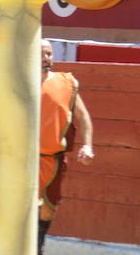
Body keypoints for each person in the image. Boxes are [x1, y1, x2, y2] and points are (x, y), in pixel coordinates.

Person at [38, 40, 95, 255]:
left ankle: (37, 246)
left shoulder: (66, 82)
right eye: (42, 54)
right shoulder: (21, 82)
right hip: (26, 159)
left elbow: (83, 116)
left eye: (49, 54)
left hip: (54, 157)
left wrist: (87, 145)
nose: (47, 59)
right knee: (25, 207)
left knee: (47, 210)